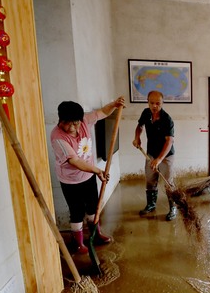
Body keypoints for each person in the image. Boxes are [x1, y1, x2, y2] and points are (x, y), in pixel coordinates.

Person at [50, 96, 125, 254]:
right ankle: (78, 242)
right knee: (76, 210)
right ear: (61, 120)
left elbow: (102, 112)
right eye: (68, 123)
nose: (73, 127)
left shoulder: (84, 120)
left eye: (76, 123)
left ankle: (96, 235)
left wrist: (114, 104)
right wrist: (97, 170)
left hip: (88, 177)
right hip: (70, 180)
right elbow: (74, 161)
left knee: (93, 206)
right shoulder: (57, 137)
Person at [132, 90, 177, 221]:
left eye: (158, 103)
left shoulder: (167, 119)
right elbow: (139, 126)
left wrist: (159, 159)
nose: (155, 106)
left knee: (168, 183)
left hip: (166, 156)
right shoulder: (146, 113)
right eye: (152, 103)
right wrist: (137, 138)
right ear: (148, 102)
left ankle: (173, 207)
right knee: (150, 180)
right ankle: (151, 204)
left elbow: (169, 141)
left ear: (162, 103)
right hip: (150, 154)